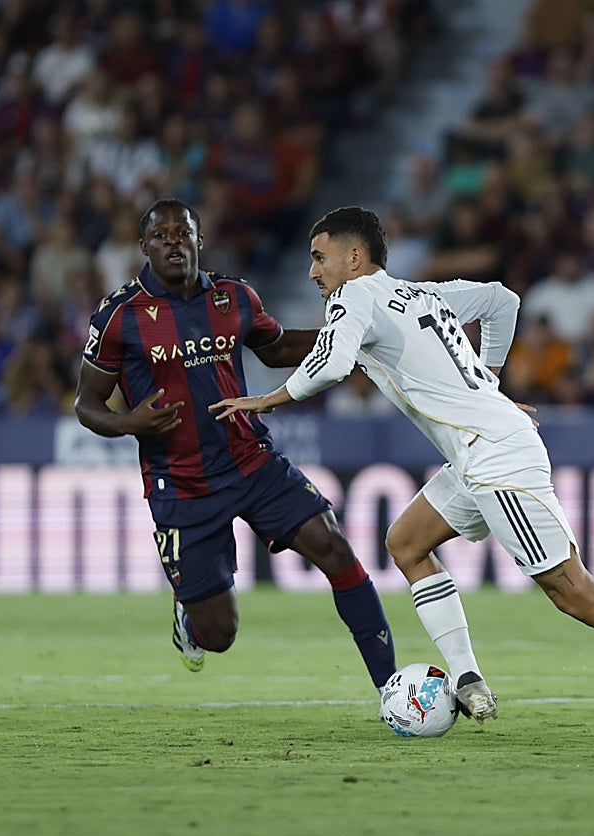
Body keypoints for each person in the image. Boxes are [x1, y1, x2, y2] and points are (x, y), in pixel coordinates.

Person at [210, 206, 594, 740]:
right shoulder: (421, 293)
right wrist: (489, 384)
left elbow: (331, 364)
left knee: (573, 590)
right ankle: (467, 678)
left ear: (354, 257)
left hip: (495, 457)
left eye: (319, 257)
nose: (312, 272)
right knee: (406, 542)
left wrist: (268, 399)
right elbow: (501, 300)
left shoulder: (354, 296)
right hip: (479, 453)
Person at [74, 198, 397, 695]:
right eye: (160, 236)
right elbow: (86, 404)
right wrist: (128, 422)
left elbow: (278, 348)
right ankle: (190, 619)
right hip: (181, 483)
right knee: (220, 634)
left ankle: (390, 687)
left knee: (334, 547)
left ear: (199, 240)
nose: (173, 243)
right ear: (143, 246)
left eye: (182, 233)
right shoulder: (118, 316)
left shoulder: (234, 297)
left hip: (251, 460)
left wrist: (355, 339)